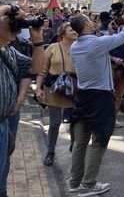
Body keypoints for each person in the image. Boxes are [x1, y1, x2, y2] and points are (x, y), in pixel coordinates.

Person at [68, 11, 124, 196]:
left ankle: (75, 182)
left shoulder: (76, 46)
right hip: (100, 98)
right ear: (86, 25)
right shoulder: (96, 43)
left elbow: (100, 49)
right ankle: (88, 185)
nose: (93, 21)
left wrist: (105, 32)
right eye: (90, 20)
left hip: (83, 97)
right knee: (99, 140)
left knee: (80, 141)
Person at [0, 4, 45, 197]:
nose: (17, 26)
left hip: (4, 122)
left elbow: (35, 68)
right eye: (11, 22)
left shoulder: (8, 51)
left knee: (4, 165)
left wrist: (37, 42)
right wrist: (10, 7)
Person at [36, 23, 77, 167]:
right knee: (54, 122)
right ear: (63, 32)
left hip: (73, 89)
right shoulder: (52, 48)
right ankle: (50, 151)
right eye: (71, 29)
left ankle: (74, 144)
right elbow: (42, 69)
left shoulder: (81, 48)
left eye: (76, 30)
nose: (74, 31)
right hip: (54, 89)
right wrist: (38, 88)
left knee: (75, 120)